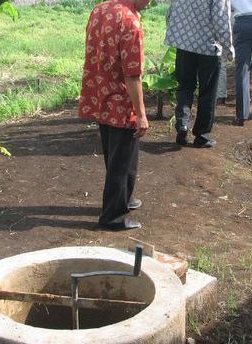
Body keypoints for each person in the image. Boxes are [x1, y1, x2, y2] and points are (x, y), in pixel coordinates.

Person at [78, 0, 150, 231]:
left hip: (100, 93)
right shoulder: (130, 21)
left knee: (120, 156)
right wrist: (141, 114)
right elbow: (132, 75)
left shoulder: (100, 9)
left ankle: (125, 198)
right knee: (120, 161)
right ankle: (113, 216)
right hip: (120, 100)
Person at [166, 0, 234, 148]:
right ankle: (202, 135)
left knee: (185, 86)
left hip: (184, 45)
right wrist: (229, 49)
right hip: (208, 48)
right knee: (208, 92)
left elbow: (171, 12)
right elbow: (221, 20)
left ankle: (182, 124)